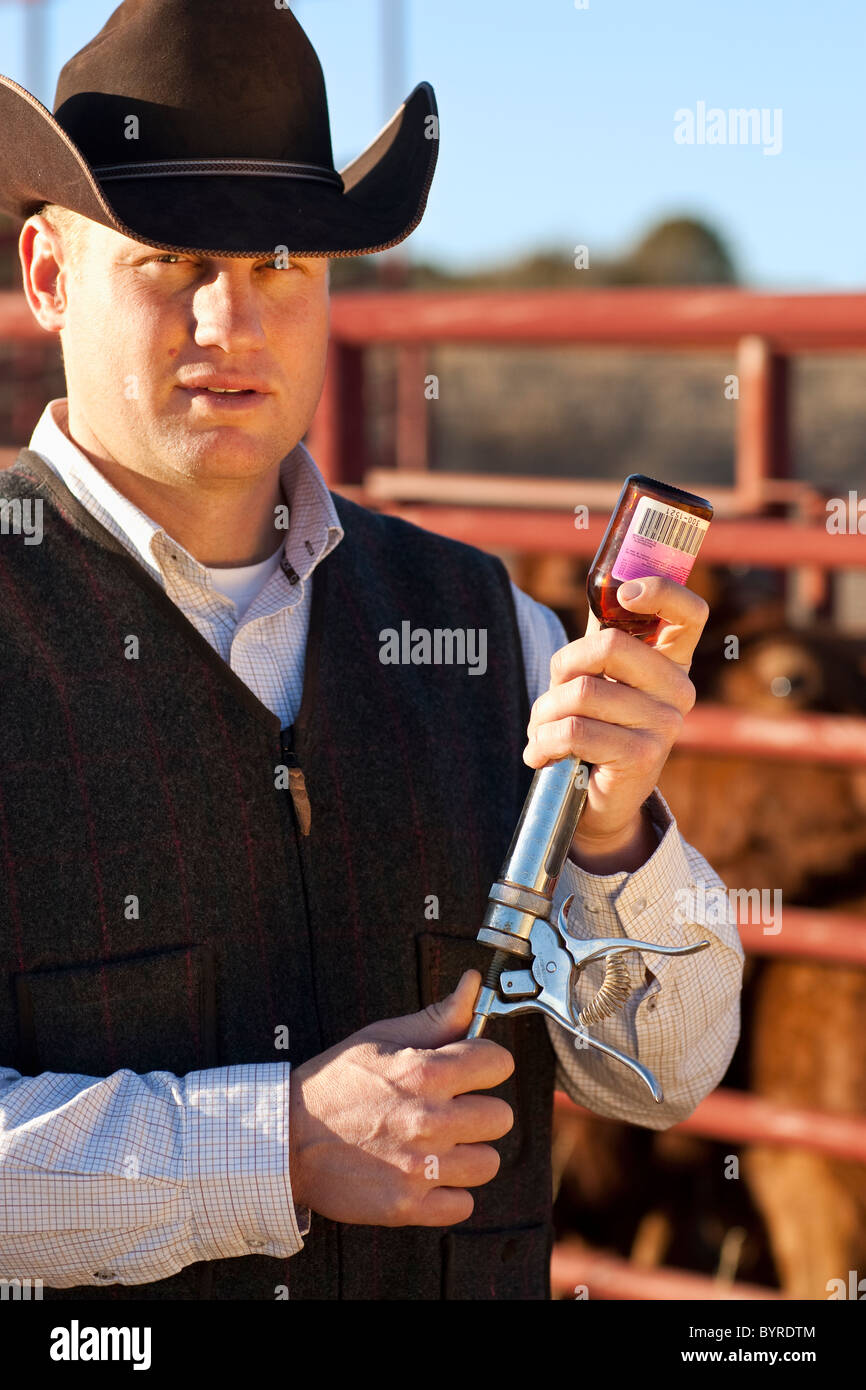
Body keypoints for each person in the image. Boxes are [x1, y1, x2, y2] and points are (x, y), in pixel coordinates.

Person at [0, 1, 742, 1301]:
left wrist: (617, 834)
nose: (232, 322)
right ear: (49, 273)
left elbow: (663, 1073)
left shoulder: (486, 622)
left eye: (282, 265)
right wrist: (272, 1146)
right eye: (172, 260)